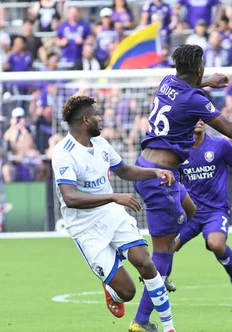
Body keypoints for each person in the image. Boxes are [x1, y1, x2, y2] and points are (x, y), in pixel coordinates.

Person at [129, 44, 232, 332]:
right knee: (162, 252)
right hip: (162, 178)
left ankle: (163, 272)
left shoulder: (167, 82)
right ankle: (141, 320)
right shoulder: (194, 99)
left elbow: (190, 87)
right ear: (198, 69)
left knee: (191, 209)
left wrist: (207, 81)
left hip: (145, 167)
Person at [50, 95, 177, 332]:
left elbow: (125, 170)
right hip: (85, 227)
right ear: (85, 120)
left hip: (111, 215)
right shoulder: (63, 153)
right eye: (97, 115)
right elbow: (70, 198)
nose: (101, 119)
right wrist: (113, 196)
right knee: (128, 292)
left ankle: (170, 328)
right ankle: (112, 291)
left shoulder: (101, 145)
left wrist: (155, 172)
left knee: (146, 264)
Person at [164, 120, 232, 303]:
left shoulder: (220, 145)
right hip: (190, 213)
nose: (199, 121)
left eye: (202, 117)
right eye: (194, 117)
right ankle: (162, 283)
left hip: (215, 211)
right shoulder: (179, 151)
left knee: (216, 244)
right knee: (168, 246)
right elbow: (171, 179)